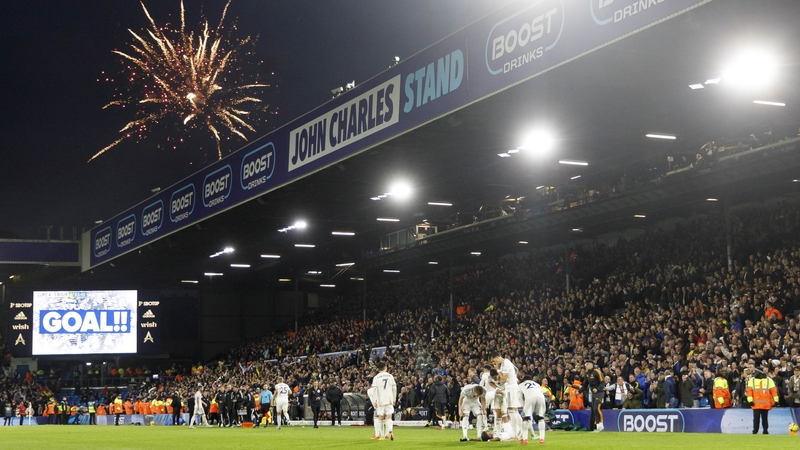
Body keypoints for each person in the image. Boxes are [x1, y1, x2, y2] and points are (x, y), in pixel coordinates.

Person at [492, 354, 522, 438]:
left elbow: (504, 379)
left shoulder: (505, 364)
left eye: (495, 360)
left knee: (511, 411)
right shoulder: (507, 362)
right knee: (515, 411)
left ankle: (515, 435)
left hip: (510, 389)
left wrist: (498, 370)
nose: (495, 363)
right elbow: (516, 370)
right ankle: (520, 433)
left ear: (498, 357)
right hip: (513, 387)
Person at [746, 366, 778, 434]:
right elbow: (749, 392)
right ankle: (755, 431)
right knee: (756, 418)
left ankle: (765, 430)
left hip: (765, 404)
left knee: (764, 418)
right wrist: (750, 400)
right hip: (756, 404)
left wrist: (776, 400)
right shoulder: (752, 380)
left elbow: (774, 391)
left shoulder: (769, 380)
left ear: (760, 373)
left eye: (756, 372)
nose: (754, 374)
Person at [371, 361, 397, 441]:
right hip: (389, 399)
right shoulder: (390, 376)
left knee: (380, 418)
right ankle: (387, 433)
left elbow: (374, 389)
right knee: (389, 417)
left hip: (380, 400)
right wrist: (394, 399)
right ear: (385, 367)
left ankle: (380, 435)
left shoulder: (376, 377)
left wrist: (375, 400)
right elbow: (394, 388)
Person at [519, 376, 547, 445]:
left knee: (525, 418)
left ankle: (525, 440)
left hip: (530, 398)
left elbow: (519, 397)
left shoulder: (521, 385)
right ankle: (542, 439)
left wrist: (523, 406)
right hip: (541, 398)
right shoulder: (536, 384)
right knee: (541, 418)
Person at [578, 361, 605, 431]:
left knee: (597, 408)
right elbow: (585, 385)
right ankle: (597, 425)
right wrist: (579, 391)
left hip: (599, 392)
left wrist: (598, 389)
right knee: (593, 410)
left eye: (587, 364)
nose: (586, 366)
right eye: (585, 364)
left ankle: (601, 425)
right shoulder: (587, 374)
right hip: (593, 393)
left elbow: (603, 382)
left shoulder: (597, 372)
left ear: (591, 365)